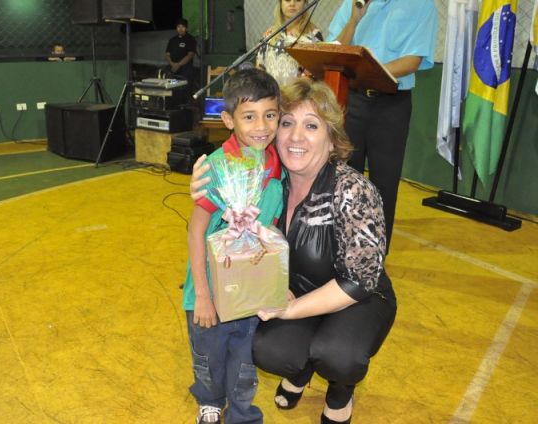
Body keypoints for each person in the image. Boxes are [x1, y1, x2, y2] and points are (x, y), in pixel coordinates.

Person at [191, 78, 397, 424]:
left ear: (332, 138)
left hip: (357, 297)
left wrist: (289, 311)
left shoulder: (353, 190)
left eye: (312, 126)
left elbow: (360, 280)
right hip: (296, 289)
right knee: (267, 349)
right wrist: (202, 179)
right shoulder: (268, 177)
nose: (296, 136)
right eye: (287, 123)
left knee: (338, 355)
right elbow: (229, 162)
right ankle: (300, 371)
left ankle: (340, 390)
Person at [182, 68, 283, 424]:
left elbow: (272, 229)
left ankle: (242, 414)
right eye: (249, 116)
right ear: (228, 120)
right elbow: (196, 232)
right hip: (209, 291)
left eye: (270, 115)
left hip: (251, 292)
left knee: (244, 361)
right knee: (209, 356)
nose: (262, 126)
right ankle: (209, 401)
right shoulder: (215, 167)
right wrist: (203, 296)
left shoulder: (278, 166)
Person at [326, 0, 438, 251]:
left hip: (391, 105)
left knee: (384, 183)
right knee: (343, 176)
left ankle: (375, 257)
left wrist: (366, 73)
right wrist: (354, 19)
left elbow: (412, 61)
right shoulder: (353, 3)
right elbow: (335, 50)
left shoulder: (421, 5)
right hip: (351, 100)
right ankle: (341, 249)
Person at [256, 0, 324, 87]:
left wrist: (289, 93)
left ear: (305, 3)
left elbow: (313, 75)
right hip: (271, 93)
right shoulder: (269, 34)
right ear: (281, 3)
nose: (292, 4)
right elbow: (260, 69)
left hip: (299, 93)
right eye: (287, 0)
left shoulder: (314, 35)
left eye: (298, 0)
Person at [165, 18, 197, 83]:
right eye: (178, 27)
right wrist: (172, 64)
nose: (180, 29)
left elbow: (190, 55)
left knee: (184, 87)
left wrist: (178, 65)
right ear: (176, 28)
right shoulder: (172, 40)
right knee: (172, 86)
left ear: (186, 28)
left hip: (185, 69)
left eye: (183, 27)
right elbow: (167, 54)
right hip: (173, 68)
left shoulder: (190, 39)